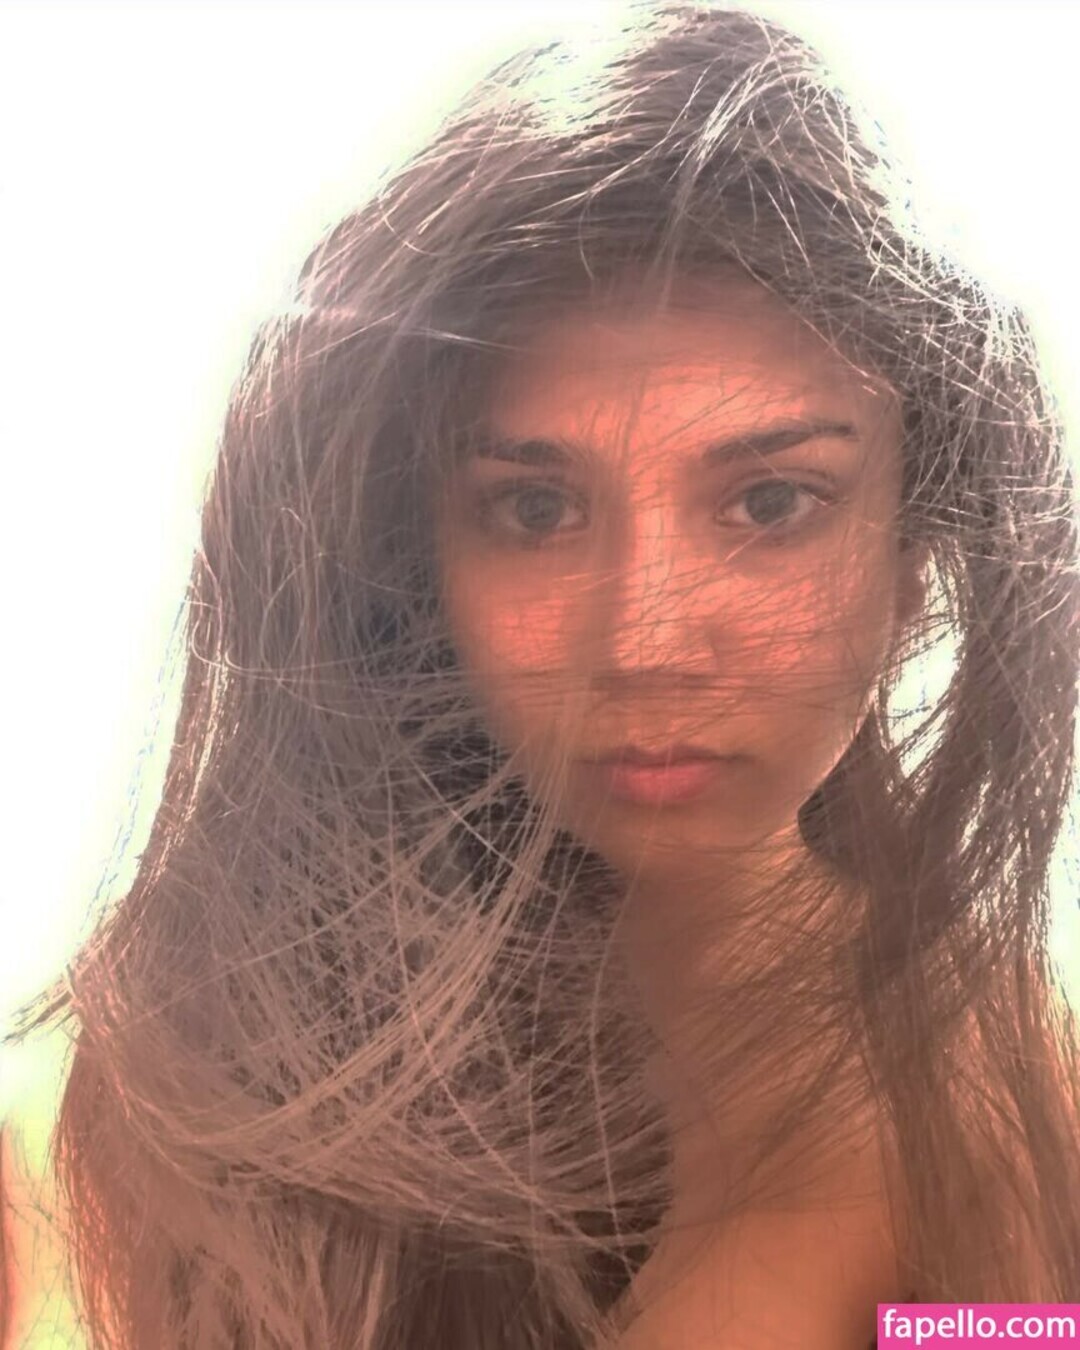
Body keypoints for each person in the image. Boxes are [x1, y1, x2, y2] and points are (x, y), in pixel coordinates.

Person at [4, 3, 1078, 1347]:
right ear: (418, 562)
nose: (646, 642)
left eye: (771, 503)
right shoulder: (125, 1089)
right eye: (534, 509)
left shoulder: (998, 1087)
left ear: (913, 551)